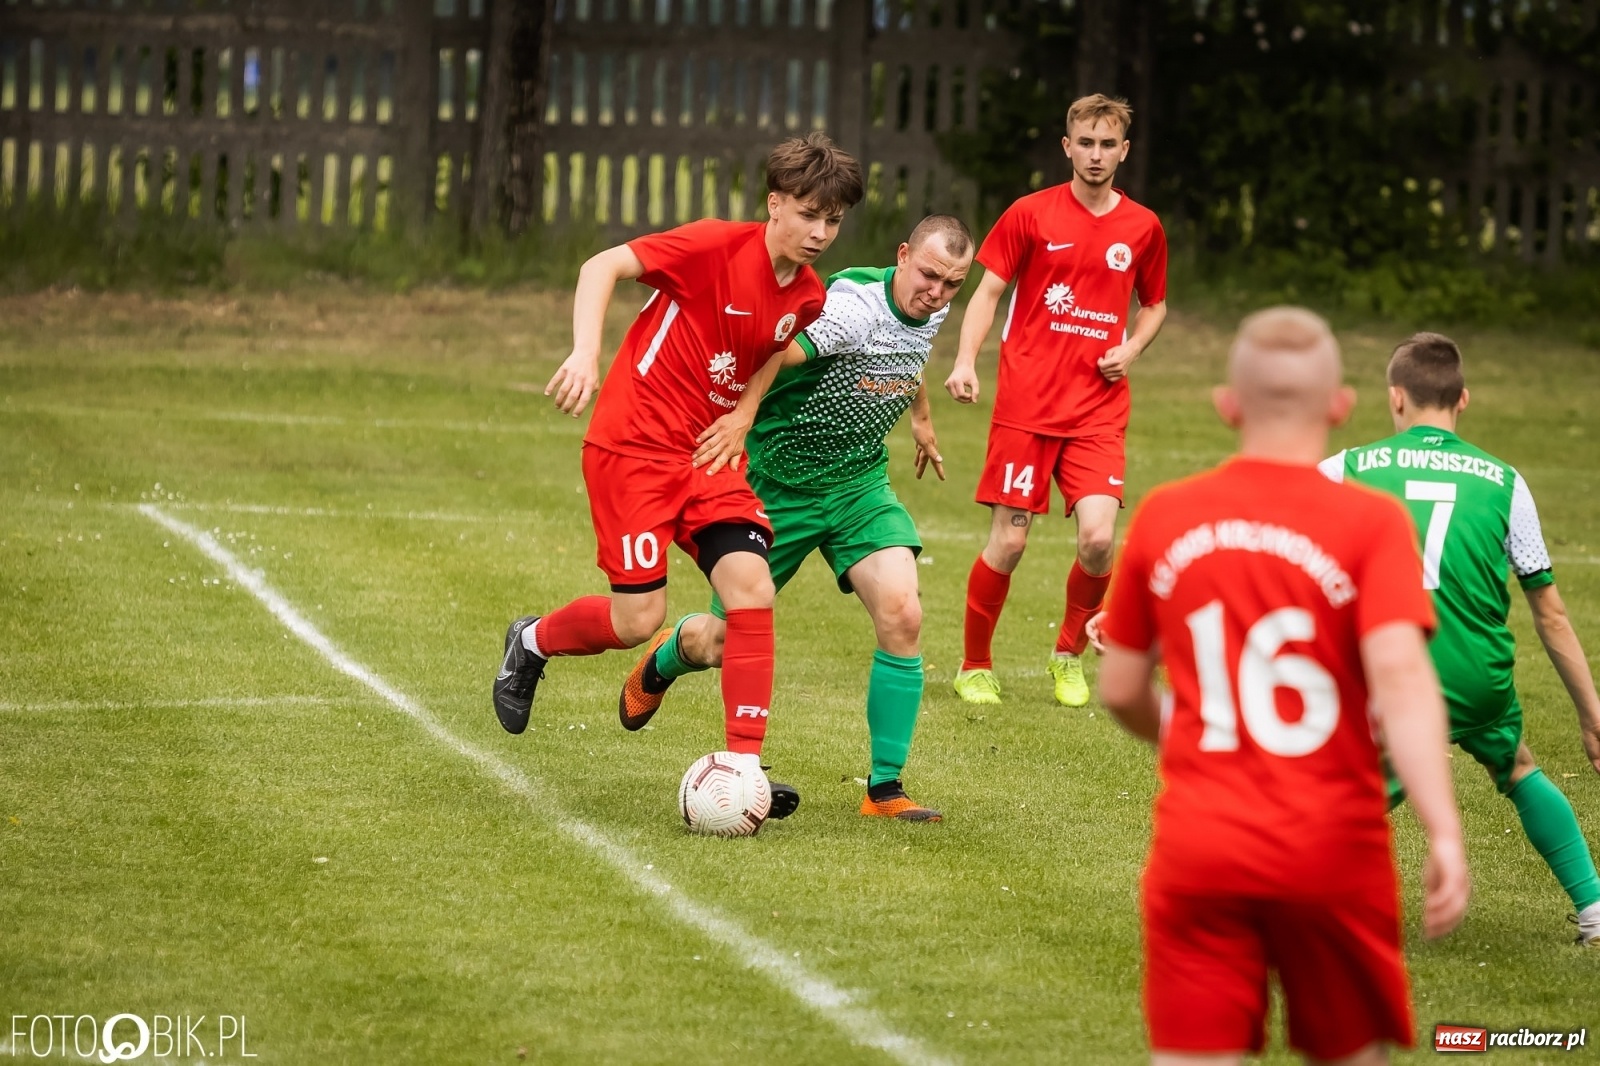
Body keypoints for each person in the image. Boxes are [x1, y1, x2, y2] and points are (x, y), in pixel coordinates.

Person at [1096, 308, 1469, 1064]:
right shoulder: (1372, 523)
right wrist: (1443, 828)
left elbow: (1120, 688)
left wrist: (1190, 729)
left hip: (1201, 846)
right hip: (1332, 849)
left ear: (1227, 405)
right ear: (1341, 406)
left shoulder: (1168, 516)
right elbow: (1402, 681)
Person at [493, 133, 864, 820]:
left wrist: (745, 413)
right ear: (774, 204)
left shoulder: (809, 294)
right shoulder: (712, 247)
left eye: (833, 220)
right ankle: (532, 641)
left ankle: (743, 766)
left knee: (752, 591)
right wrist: (585, 352)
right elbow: (602, 265)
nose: (820, 232)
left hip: (708, 458)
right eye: (809, 214)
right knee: (639, 619)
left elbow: (773, 346)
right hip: (632, 448)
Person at [614, 215, 975, 821]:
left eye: (952, 284)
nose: (937, 293)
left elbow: (908, 350)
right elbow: (777, 348)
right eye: (929, 276)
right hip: (779, 483)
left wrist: (921, 418)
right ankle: (670, 652)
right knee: (722, 641)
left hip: (858, 485)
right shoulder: (852, 309)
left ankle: (884, 790)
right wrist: (742, 415)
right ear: (903, 255)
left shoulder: (928, 304)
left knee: (903, 614)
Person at [1320, 332, 1600, 946]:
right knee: (1519, 766)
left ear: (1395, 397)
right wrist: (1591, 714)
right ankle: (1595, 910)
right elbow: (1550, 612)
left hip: (1390, 676)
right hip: (1476, 679)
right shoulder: (1506, 482)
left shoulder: (1346, 469)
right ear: (1463, 399)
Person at [945, 93, 1168, 710]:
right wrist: (964, 361)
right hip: (1027, 407)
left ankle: (1066, 655)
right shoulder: (1030, 214)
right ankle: (974, 665)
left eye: (1107, 144)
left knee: (1098, 540)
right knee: (1010, 542)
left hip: (1098, 410)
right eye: (1085, 143)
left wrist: (1132, 349)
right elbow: (988, 292)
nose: (1096, 155)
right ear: (1067, 147)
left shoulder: (1143, 227)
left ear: (1124, 151)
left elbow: (1154, 304)